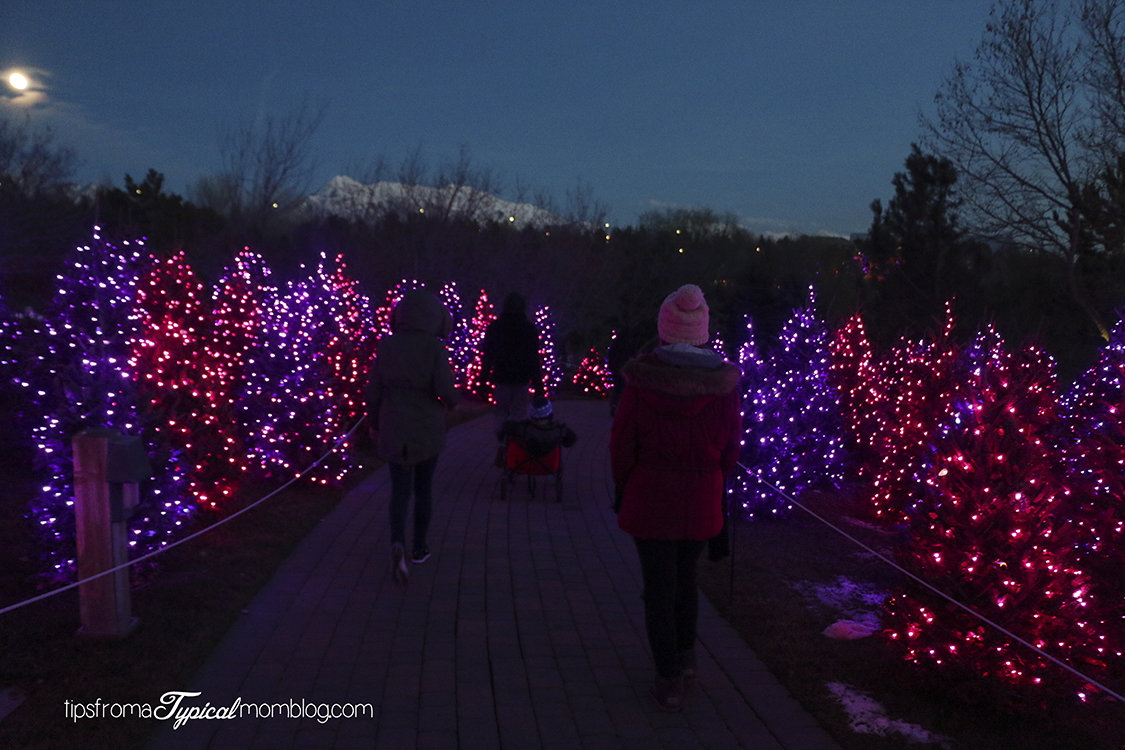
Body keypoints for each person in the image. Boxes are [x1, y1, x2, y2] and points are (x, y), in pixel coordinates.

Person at [610, 284, 742, 712]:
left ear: (666, 329)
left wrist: (624, 486)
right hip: (700, 496)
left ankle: (667, 678)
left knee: (658, 587)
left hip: (651, 496)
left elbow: (622, 444)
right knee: (687, 581)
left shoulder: (641, 382)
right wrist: (716, 486)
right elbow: (731, 448)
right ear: (702, 331)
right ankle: (686, 660)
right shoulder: (722, 387)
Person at [366, 289, 461, 585]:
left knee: (399, 490)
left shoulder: (387, 345)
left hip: (394, 421)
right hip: (425, 425)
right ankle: (419, 548)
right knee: (424, 489)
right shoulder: (434, 348)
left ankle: (398, 542)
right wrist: (453, 402)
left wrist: (374, 421)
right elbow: (445, 389)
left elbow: (373, 388)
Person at [480, 291, 542, 455]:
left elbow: (487, 356)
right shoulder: (529, 329)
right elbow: (534, 359)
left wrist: (483, 381)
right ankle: (516, 450)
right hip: (522, 380)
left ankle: (501, 441)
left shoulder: (495, 328)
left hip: (501, 378)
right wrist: (538, 387)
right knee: (520, 415)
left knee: (500, 412)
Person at [498, 394, 578, 462]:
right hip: (549, 464)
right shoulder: (559, 430)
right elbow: (570, 442)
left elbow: (505, 427)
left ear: (532, 415)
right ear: (550, 414)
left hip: (525, 463)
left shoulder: (523, 428)